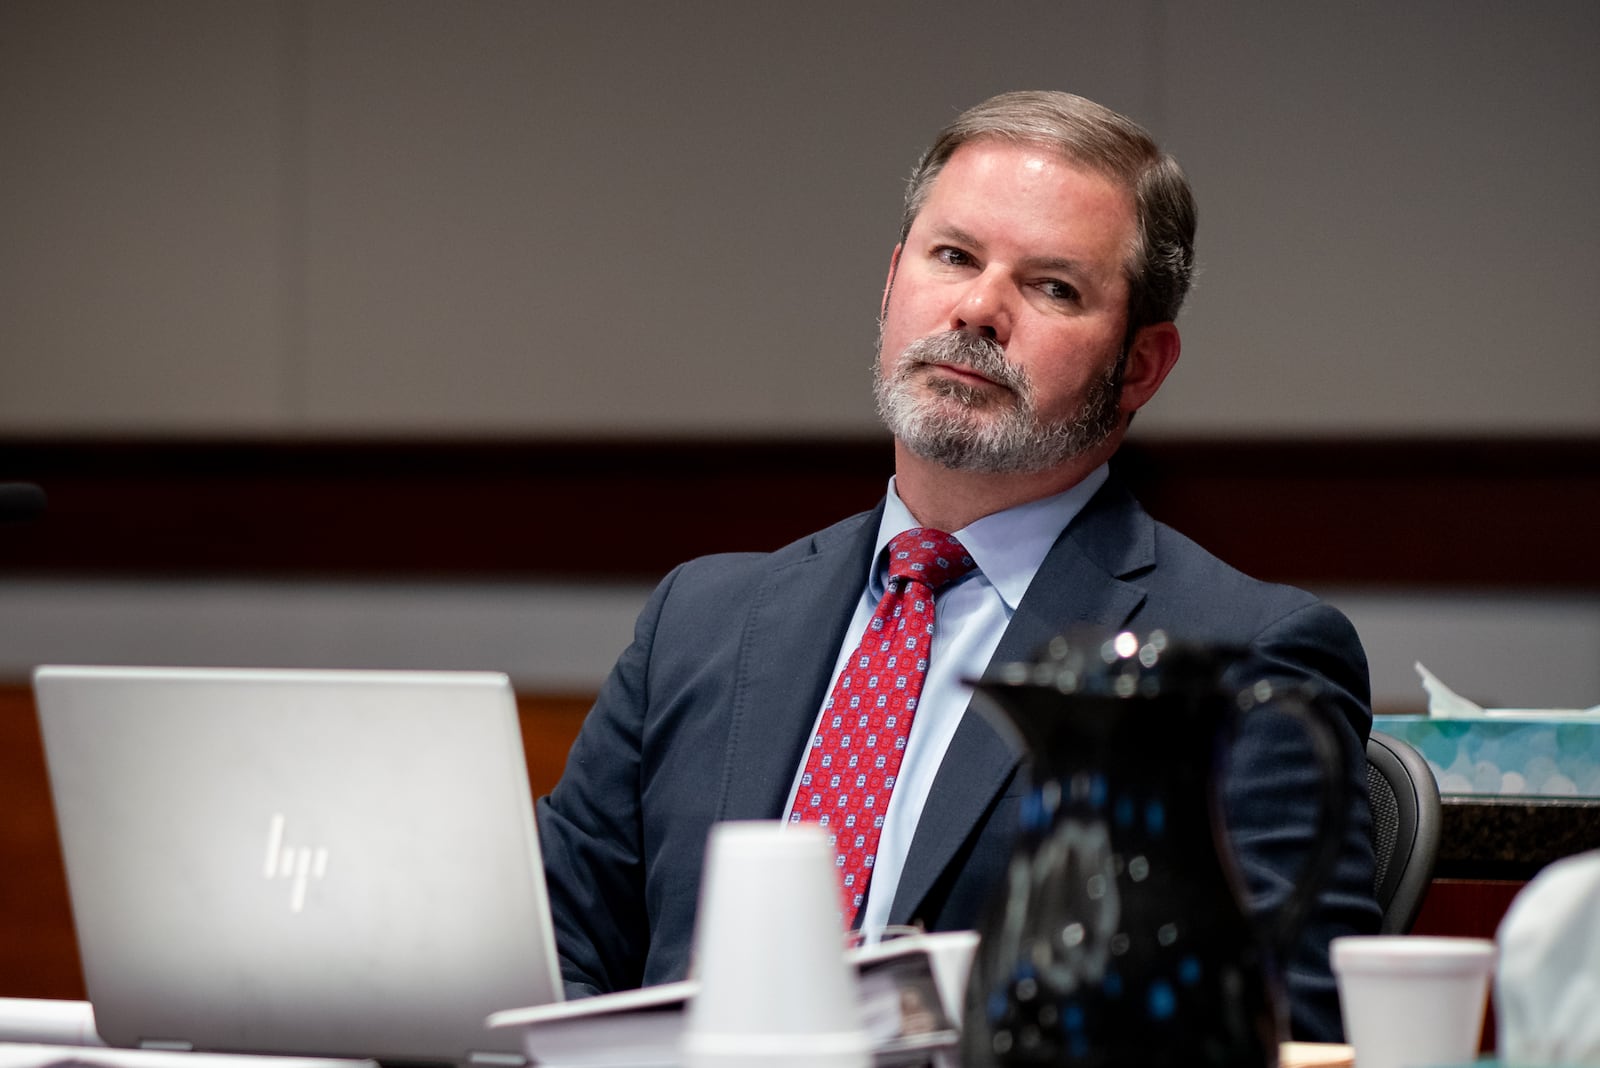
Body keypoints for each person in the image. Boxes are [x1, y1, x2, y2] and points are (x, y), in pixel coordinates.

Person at [535, 90, 1380, 1042]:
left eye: (1053, 287)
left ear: (1142, 366)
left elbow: (1285, 1027)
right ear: (892, 281)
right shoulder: (700, 618)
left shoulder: (1238, 655)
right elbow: (551, 951)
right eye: (954, 257)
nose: (979, 309)